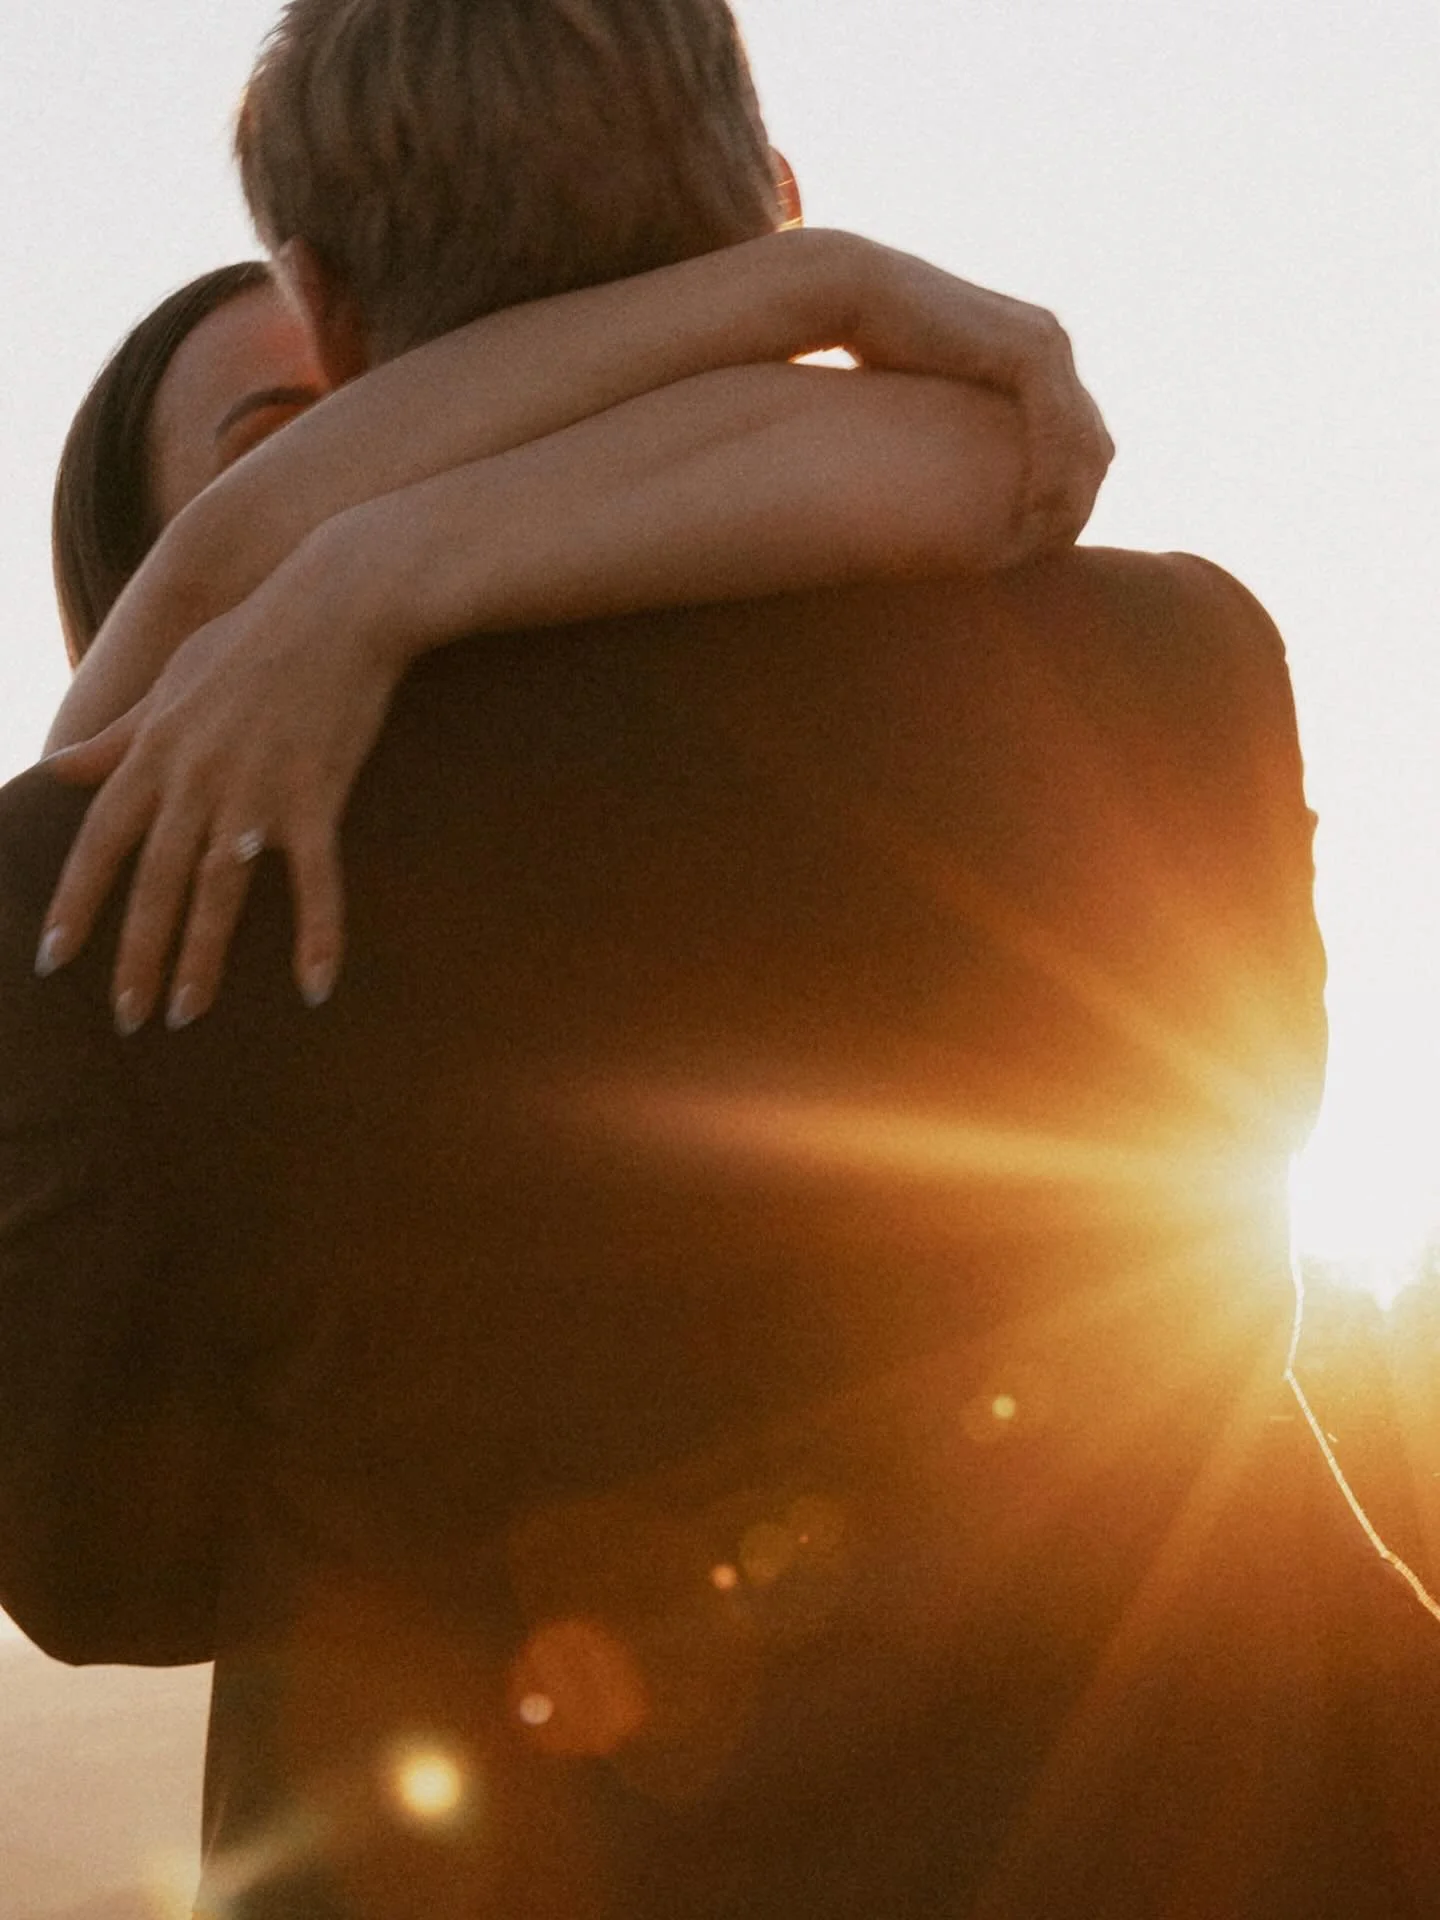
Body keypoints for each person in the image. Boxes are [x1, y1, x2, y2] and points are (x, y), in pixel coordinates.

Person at [0, 2, 1431, 1915]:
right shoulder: (1169, 667)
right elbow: (1224, 1204)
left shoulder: (94, 895)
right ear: (769, 203)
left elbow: (112, 1568)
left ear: (329, 311)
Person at [41, 225, 1109, 1030]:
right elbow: (187, 600)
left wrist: (374, 567)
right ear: (120, 578)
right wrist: (818, 287)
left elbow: (998, 456)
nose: (379, 470)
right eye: (290, 447)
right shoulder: (60, 930)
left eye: (415, 410)